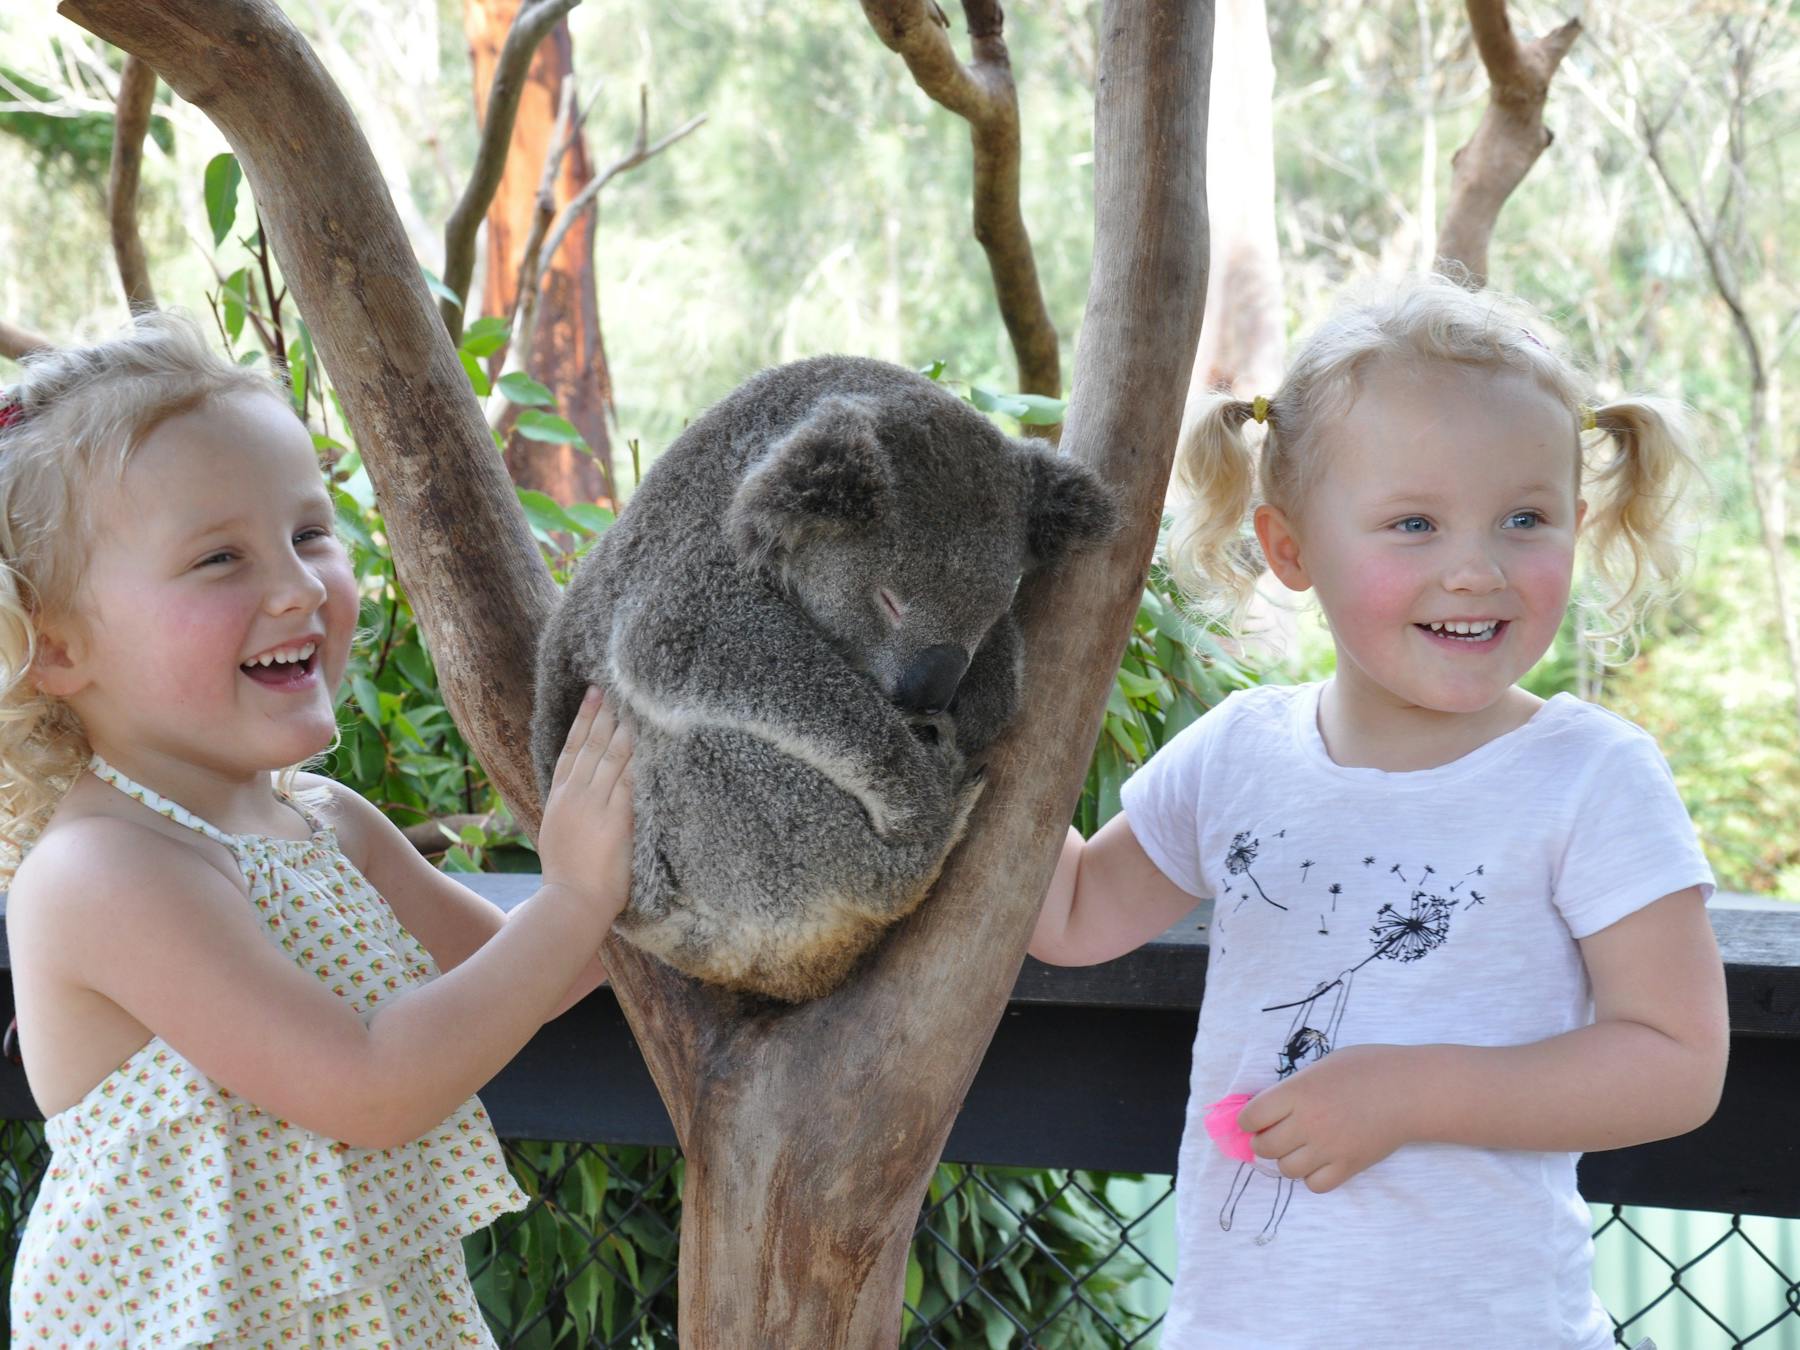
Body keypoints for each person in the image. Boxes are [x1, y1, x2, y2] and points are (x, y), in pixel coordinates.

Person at [1030, 274, 1726, 1349]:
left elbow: (1677, 1060)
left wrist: (1413, 1094)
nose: (1476, 569)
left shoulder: (1592, 777)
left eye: (1524, 519)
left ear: (1576, 526)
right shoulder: (1238, 753)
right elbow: (1071, 912)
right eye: (1414, 523)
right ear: (1292, 548)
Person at [0, 311, 634, 1347]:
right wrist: (572, 897)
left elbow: (521, 972)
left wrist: (658, 862)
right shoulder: (101, 869)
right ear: (59, 647)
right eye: (219, 559)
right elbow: (372, 1084)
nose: (298, 586)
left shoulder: (324, 819)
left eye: (309, 534)